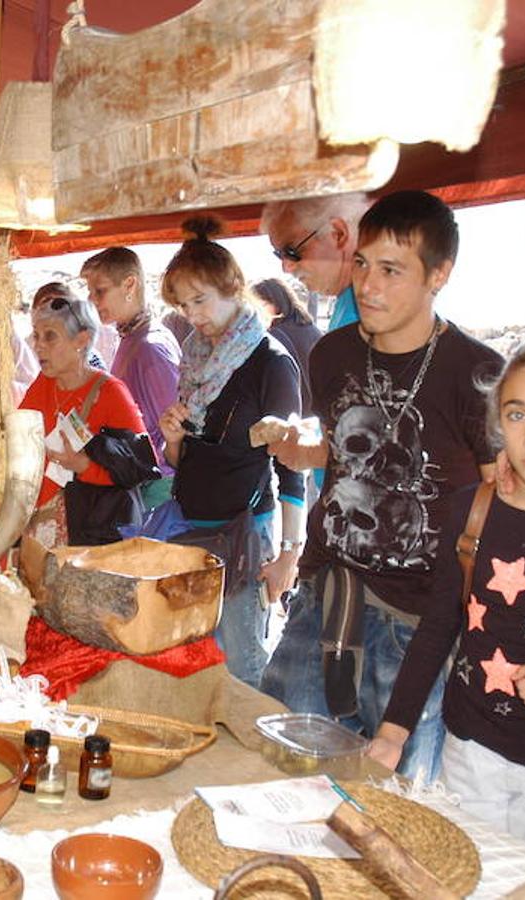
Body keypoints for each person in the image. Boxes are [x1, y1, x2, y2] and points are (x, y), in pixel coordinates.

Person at [260, 190, 503, 781]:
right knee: (277, 773)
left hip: (418, 626)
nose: (368, 285)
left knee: (396, 803)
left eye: (392, 270)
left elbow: (504, 504)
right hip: (323, 600)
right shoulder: (331, 355)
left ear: (438, 275)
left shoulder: (479, 376)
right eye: (364, 264)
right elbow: (343, 458)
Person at [367, 336, 525, 860]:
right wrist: (394, 730)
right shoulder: (470, 510)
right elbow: (437, 625)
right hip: (469, 749)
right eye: (518, 415)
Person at [158, 217, 305, 690]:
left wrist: (288, 554)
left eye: (200, 300)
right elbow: (184, 464)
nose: (192, 314)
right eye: (183, 304)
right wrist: (174, 439)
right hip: (190, 529)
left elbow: (293, 467)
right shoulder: (193, 355)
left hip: (244, 535)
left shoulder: (270, 363)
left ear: (233, 288)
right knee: (191, 662)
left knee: (241, 668)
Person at [20, 293, 153, 547]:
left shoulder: (111, 392)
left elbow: (140, 467)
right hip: (41, 521)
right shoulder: (43, 385)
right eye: (36, 336)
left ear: (81, 340)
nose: (38, 346)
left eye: (50, 336)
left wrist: (84, 466)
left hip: (91, 531)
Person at [81, 246, 180, 509]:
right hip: (140, 479)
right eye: (90, 292)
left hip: (157, 487)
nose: (92, 300)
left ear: (129, 284)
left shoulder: (150, 348)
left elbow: (176, 427)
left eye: (100, 291)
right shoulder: (130, 338)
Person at [261, 193, 368, 332]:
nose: (286, 267)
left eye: (292, 251)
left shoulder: (367, 313)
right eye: (279, 255)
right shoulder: (354, 303)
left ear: (338, 233)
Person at [253, 278, 321, 419]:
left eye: (259, 305)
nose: (254, 312)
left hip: (294, 416)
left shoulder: (273, 336)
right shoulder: (311, 328)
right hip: (317, 417)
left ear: (276, 303)